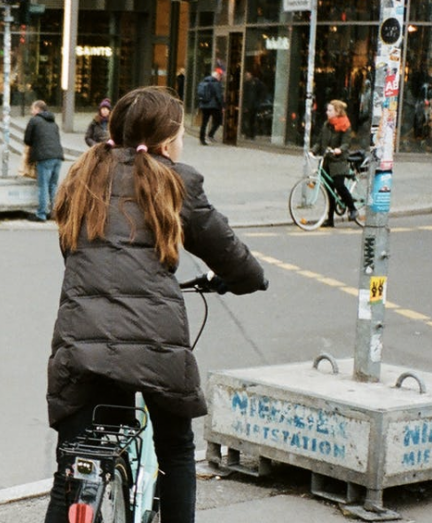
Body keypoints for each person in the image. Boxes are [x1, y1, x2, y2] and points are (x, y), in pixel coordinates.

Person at [43, 86, 268, 523]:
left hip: (80, 343)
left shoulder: (82, 176)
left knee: (72, 467)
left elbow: (71, 250)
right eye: (181, 133)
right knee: (176, 450)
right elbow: (229, 254)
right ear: (166, 142)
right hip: (155, 346)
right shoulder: (175, 181)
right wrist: (247, 280)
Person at [312, 99, 358, 227]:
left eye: (330, 110)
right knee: (329, 191)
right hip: (327, 161)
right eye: (327, 110)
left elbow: (346, 143)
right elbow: (320, 141)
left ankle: (352, 208)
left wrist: (340, 149)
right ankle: (330, 219)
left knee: (339, 186)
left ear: (337, 112)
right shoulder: (326, 125)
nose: (327, 112)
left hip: (338, 161)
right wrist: (313, 151)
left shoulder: (345, 125)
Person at [23, 100, 64, 222]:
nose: (31, 111)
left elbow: (27, 140)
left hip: (44, 157)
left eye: (32, 108)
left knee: (43, 185)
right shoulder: (53, 122)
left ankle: (41, 213)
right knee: (53, 185)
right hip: (58, 156)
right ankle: (55, 213)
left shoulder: (34, 121)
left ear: (37, 109)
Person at [196, 68, 224, 145]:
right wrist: (222, 106)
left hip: (204, 105)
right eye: (220, 75)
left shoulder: (204, 81)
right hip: (214, 106)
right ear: (217, 75)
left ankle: (202, 139)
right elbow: (219, 96)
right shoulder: (216, 83)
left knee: (204, 123)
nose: (220, 77)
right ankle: (210, 134)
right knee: (218, 121)